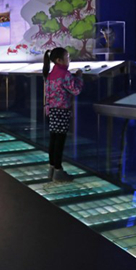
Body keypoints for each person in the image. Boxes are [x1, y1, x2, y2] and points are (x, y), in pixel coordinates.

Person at [43, 47, 83, 182]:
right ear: (59, 60)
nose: (69, 59)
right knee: (60, 141)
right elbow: (76, 90)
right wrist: (79, 77)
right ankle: (58, 171)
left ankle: (52, 169)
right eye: (67, 57)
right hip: (62, 111)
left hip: (52, 110)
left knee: (53, 140)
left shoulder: (51, 74)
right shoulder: (64, 74)